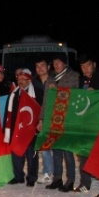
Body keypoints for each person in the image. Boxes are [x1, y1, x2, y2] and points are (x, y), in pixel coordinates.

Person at [38, 53, 79, 193]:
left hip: (67, 118)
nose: (56, 65)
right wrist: (42, 119)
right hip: (53, 118)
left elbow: (73, 94)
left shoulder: (73, 76)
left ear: (65, 64)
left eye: (59, 62)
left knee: (67, 150)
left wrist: (55, 87)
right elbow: (45, 101)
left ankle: (70, 179)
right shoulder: (50, 78)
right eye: (54, 62)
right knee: (55, 149)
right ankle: (57, 178)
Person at [76, 53, 99, 194]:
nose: (85, 69)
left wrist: (97, 93)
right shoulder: (82, 81)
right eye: (83, 67)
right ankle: (85, 183)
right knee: (83, 153)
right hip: (85, 123)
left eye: (88, 65)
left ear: (94, 65)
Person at [3, 69, 44, 187]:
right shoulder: (14, 94)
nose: (20, 81)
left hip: (31, 129)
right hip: (16, 129)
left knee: (31, 154)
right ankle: (18, 176)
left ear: (29, 80)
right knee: (16, 153)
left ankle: (32, 177)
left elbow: (41, 110)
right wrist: (6, 129)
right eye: (18, 79)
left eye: (23, 79)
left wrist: (40, 124)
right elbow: (8, 112)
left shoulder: (37, 93)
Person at [33, 57, 53, 185]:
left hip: (52, 117)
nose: (40, 68)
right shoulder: (34, 83)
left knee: (50, 147)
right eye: (37, 66)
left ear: (48, 67)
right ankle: (48, 172)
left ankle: (49, 173)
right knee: (45, 146)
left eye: (42, 65)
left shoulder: (53, 81)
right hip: (39, 118)